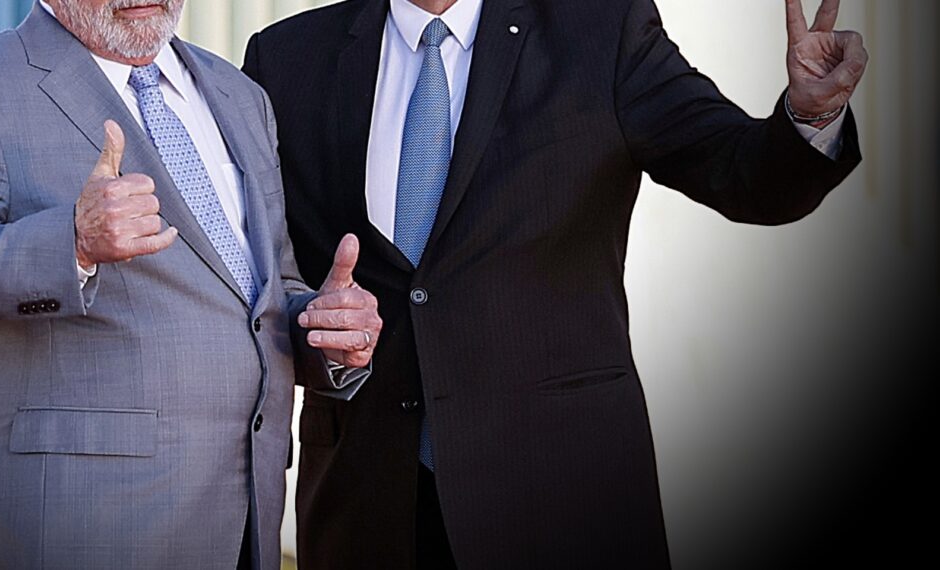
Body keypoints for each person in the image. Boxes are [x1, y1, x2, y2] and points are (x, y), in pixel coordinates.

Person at [243, 0, 866, 567]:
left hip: (562, 494)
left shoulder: (601, 29)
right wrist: (313, 325)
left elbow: (742, 173)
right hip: (367, 503)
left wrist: (812, 114)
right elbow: (263, 276)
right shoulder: (287, 56)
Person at [0, 0, 382, 568]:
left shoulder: (239, 95)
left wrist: (322, 329)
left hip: (239, 521)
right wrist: (71, 243)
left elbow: (257, 294)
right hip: (70, 527)